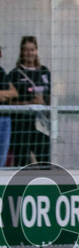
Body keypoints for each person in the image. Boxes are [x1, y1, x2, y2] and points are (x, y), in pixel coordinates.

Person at [8, 36, 51, 167]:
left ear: (36, 51)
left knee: (44, 162)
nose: (29, 53)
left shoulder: (44, 71)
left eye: (32, 49)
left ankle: (45, 186)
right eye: (26, 50)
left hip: (41, 126)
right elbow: (9, 104)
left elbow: (50, 96)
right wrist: (28, 104)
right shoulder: (15, 74)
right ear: (21, 51)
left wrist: (46, 104)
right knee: (21, 163)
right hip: (21, 126)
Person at [0, 45, 20, 167]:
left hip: (4, 119)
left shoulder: (1, 72)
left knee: (2, 157)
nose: (1, 56)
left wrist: (2, 94)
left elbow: (14, 93)